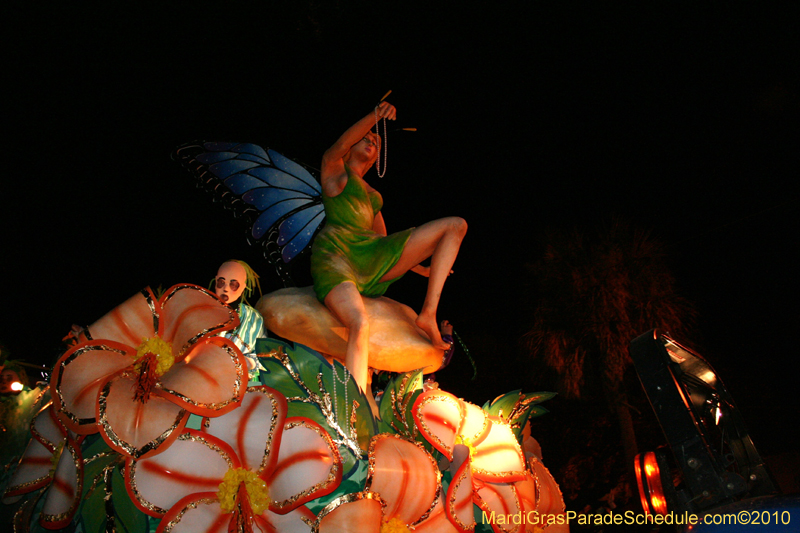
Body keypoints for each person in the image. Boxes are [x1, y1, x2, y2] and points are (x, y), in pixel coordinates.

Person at [310, 101, 467, 393]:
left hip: (369, 257)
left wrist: (421, 267)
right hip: (336, 256)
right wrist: (374, 116)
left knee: (455, 225)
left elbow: (383, 242)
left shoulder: (374, 196)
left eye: (375, 141)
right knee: (359, 322)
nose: (371, 141)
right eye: (366, 137)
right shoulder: (335, 171)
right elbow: (341, 142)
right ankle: (355, 406)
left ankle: (428, 313)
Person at [212, 260, 267, 381]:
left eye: (233, 285)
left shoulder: (254, 319)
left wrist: (247, 362)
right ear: (216, 281)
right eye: (222, 282)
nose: (226, 289)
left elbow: (263, 357)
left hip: (235, 384)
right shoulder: (200, 308)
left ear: (243, 287)